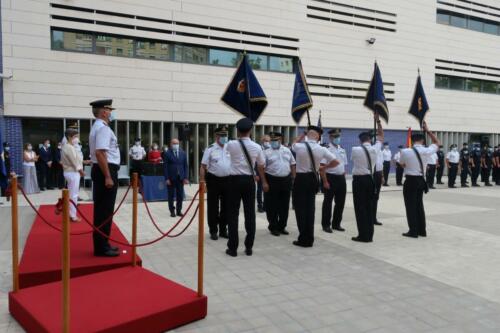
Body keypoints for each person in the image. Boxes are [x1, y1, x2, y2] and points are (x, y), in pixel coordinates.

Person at [225, 118, 268, 257]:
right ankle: (249, 247)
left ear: (237, 130)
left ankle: (233, 248)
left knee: (233, 214)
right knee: (250, 214)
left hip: (234, 181)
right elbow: (261, 165)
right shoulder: (257, 147)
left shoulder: (231, 144)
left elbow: (226, 153)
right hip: (249, 181)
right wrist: (263, 181)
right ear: (250, 131)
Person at [292, 125, 338, 247]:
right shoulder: (322, 149)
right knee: (310, 208)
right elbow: (336, 162)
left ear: (307, 136)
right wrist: (323, 167)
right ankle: (310, 239)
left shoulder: (299, 146)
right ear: (318, 137)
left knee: (300, 208)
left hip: (301, 178)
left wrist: (302, 134)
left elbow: (293, 142)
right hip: (313, 177)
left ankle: (303, 238)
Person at [89, 99, 120, 257]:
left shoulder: (98, 127)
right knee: (105, 210)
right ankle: (102, 247)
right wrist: (108, 176)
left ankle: (103, 243)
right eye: (109, 109)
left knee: (103, 210)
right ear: (103, 112)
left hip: (101, 169)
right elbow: (101, 153)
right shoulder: (103, 128)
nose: (111, 112)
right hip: (105, 170)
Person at [400, 121, 440, 238]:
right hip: (421, 180)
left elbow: (402, 164)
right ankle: (422, 230)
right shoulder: (427, 150)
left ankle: (413, 231)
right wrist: (428, 131)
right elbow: (437, 142)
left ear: (412, 141)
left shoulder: (405, 151)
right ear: (422, 141)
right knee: (419, 205)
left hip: (410, 181)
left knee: (410, 206)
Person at [350, 115, 384, 243]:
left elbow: (353, 161)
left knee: (360, 208)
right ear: (370, 139)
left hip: (359, 181)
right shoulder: (375, 148)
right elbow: (381, 136)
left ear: (360, 140)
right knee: (369, 207)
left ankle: (362, 235)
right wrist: (378, 122)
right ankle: (369, 235)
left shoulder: (355, 149)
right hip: (370, 180)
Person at [200, 126, 230, 240]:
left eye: (225, 135)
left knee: (226, 206)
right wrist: (202, 182)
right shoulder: (210, 149)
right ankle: (213, 230)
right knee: (213, 206)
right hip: (214, 180)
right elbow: (203, 166)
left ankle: (223, 229)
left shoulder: (230, 147)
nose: (224, 137)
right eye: (222, 135)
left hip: (228, 180)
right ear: (216, 136)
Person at [264, 132, 296, 236]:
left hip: (286, 180)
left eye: (276, 140)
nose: (273, 142)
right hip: (272, 179)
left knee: (284, 205)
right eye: (272, 140)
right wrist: (264, 182)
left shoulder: (287, 150)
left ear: (280, 140)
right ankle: (273, 227)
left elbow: (292, 164)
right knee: (272, 205)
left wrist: (294, 177)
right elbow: (262, 168)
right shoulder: (266, 152)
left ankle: (282, 226)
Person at [320, 129, 348, 233]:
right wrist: (325, 181)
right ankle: (326, 224)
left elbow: (343, 165)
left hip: (341, 178)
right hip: (330, 177)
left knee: (340, 202)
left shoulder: (342, 149)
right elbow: (322, 167)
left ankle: (336, 224)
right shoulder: (326, 149)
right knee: (328, 202)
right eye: (335, 137)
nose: (337, 139)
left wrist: (343, 174)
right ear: (330, 137)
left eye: (338, 136)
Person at [61, 129, 84, 222]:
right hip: (72, 172)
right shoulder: (68, 147)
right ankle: (73, 216)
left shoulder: (70, 146)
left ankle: (70, 213)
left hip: (71, 172)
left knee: (71, 194)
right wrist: (81, 171)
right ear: (70, 137)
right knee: (74, 195)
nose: (77, 138)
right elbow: (74, 161)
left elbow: (76, 159)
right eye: (75, 136)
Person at [163, 138, 188, 217]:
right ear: (171, 144)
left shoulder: (183, 153)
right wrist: (166, 178)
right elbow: (165, 167)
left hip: (180, 178)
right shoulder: (167, 153)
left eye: (177, 143)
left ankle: (179, 210)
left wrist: (186, 177)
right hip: (171, 178)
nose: (175, 145)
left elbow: (185, 166)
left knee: (180, 195)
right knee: (171, 195)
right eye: (174, 143)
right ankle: (172, 211)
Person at [256, 134, 270, 213]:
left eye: (268, 141)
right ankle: (260, 206)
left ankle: (265, 205)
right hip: (259, 171)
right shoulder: (259, 148)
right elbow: (255, 162)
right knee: (259, 189)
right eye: (266, 141)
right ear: (262, 141)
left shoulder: (270, 149)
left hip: (267, 172)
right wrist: (256, 174)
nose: (267, 142)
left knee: (266, 190)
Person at [373, 143, 384, 226]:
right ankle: (369, 217)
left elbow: (381, 164)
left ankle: (374, 218)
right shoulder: (371, 150)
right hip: (371, 174)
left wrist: (382, 176)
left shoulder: (380, 151)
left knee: (376, 197)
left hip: (378, 174)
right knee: (370, 197)